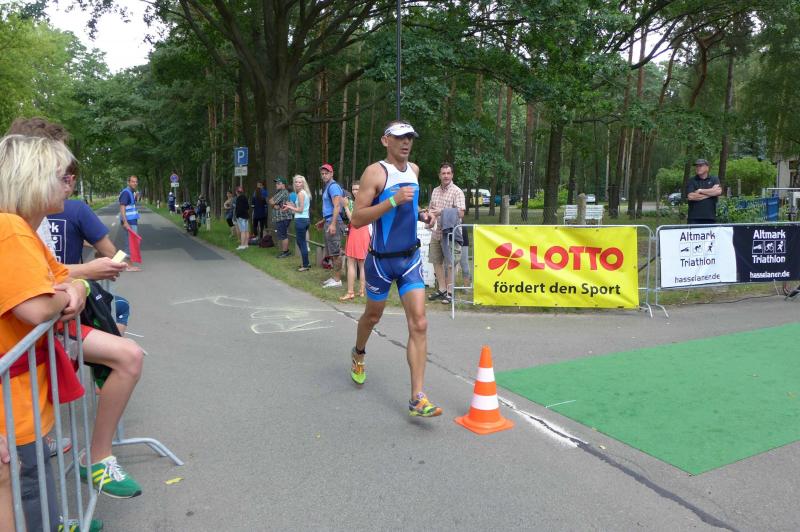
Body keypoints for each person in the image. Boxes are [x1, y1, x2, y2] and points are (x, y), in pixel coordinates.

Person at [0, 134, 91, 530]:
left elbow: (65, 279)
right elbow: (38, 307)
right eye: (61, 175)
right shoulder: (10, 230)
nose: (68, 184)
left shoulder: (24, 232)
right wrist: (65, 295)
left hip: (23, 403)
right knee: (31, 500)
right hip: (12, 411)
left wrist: (73, 289)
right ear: (33, 179)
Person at [349, 120, 441, 417]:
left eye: (410, 137)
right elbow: (357, 219)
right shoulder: (375, 173)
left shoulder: (414, 169)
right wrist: (391, 200)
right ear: (385, 140)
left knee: (420, 323)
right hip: (380, 261)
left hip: (409, 259)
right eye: (400, 137)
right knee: (372, 316)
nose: (406, 142)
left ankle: (417, 397)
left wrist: (424, 215)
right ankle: (358, 352)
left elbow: (408, 209)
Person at [426, 162, 465, 305]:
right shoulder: (435, 191)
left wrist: (442, 212)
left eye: (448, 173)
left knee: (450, 264)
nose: (446, 176)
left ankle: (450, 292)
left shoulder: (457, 191)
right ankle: (442, 289)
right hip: (436, 231)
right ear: (439, 175)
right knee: (436, 261)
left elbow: (461, 212)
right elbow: (431, 209)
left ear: (452, 175)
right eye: (443, 173)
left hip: (450, 234)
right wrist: (429, 217)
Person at [340, 180, 370, 300]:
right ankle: (362, 291)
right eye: (353, 189)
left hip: (357, 231)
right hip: (365, 231)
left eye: (357, 189)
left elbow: (353, 219)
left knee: (351, 262)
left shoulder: (355, 203)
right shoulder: (368, 201)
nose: (355, 191)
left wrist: (346, 206)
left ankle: (350, 292)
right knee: (362, 264)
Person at [317, 163, 345, 287]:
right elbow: (329, 208)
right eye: (322, 173)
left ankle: (338, 280)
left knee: (336, 252)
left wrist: (333, 224)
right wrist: (324, 221)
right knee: (332, 253)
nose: (324, 175)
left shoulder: (333, 187)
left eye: (326, 173)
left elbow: (337, 206)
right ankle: (334, 277)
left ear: (332, 173)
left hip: (334, 222)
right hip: (329, 220)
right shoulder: (328, 186)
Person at [284, 175, 312, 271]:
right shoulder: (303, 193)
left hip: (301, 220)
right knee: (300, 242)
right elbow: (300, 207)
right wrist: (291, 204)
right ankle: (306, 263)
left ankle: (306, 265)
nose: (297, 184)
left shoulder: (300, 194)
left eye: (300, 182)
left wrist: (290, 207)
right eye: (296, 182)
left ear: (303, 184)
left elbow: (300, 210)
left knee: (301, 242)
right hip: (305, 219)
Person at [686, 158, 722, 225]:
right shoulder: (692, 180)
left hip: (710, 218)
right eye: (697, 166)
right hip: (694, 219)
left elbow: (718, 192)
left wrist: (700, 190)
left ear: (707, 167)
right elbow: (691, 196)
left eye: (700, 166)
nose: (698, 168)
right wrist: (711, 193)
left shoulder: (714, 179)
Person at [118, 175, 141, 271]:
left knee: (130, 243)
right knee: (131, 243)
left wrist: (136, 197)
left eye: (136, 182)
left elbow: (130, 206)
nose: (135, 183)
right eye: (133, 181)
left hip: (132, 221)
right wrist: (125, 222)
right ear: (128, 182)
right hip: (129, 222)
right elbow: (122, 207)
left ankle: (117, 262)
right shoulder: (126, 192)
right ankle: (129, 266)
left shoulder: (131, 192)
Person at [269, 177, 293, 258]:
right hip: (281, 217)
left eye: (278, 183)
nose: (276, 184)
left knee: (283, 235)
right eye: (276, 183)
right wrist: (274, 205)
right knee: (282, 235)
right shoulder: (279, 192)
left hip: (283, 217)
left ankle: (285, 252)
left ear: (283, 184)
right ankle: (285, 251)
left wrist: (274, 204)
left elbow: (272, 201)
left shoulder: (283, 192)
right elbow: (271, 201)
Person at [234, 186, 250, 250]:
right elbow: (248, 207)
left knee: (242, 231)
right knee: (246, 231)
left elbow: (239, 209)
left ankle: (242, 245)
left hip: (241, 217)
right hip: (246, 216)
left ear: (236, 192)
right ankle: (246, 244)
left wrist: (237, 215)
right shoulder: (245, 197)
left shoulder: (238, 199)